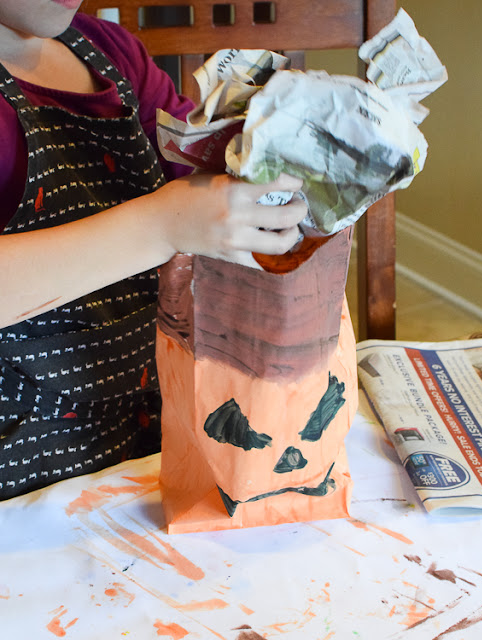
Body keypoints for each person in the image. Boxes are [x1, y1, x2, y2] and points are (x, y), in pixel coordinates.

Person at [0, 0, 306, 500]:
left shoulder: (110, 54)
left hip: (151, 438)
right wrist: (162, 225)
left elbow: (203, 174)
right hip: (24, 481)